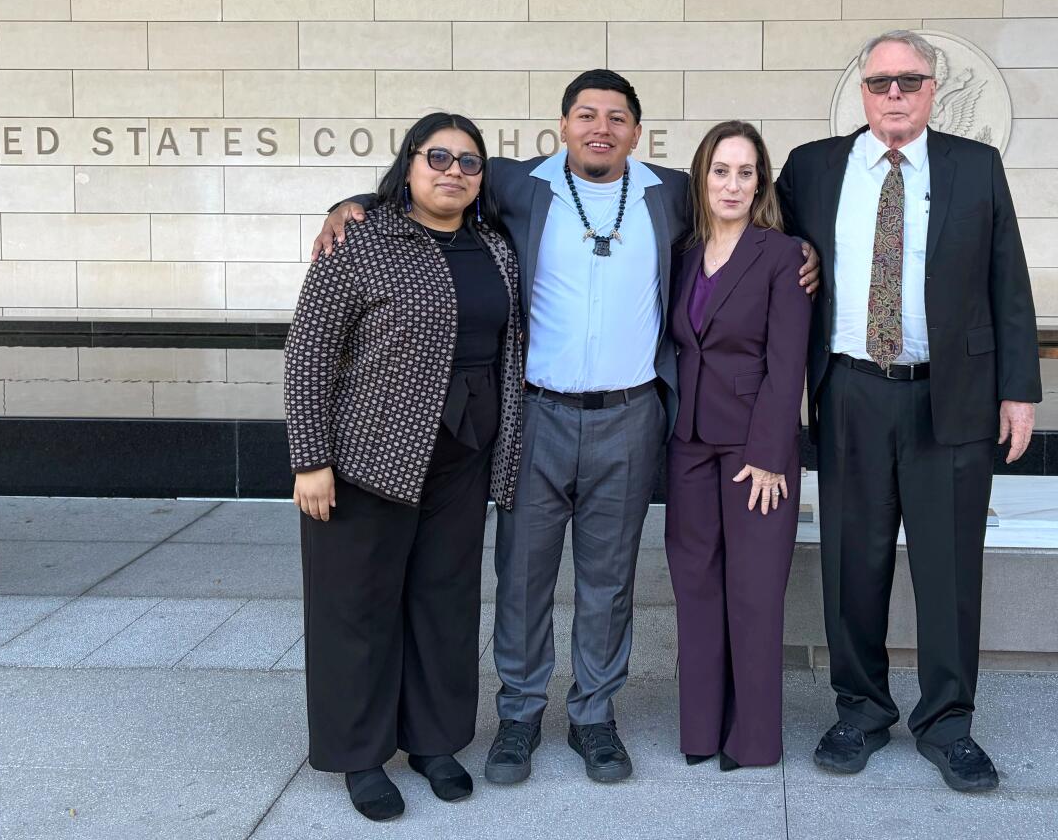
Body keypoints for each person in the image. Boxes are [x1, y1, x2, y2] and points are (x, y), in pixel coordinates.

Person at [314, 70, 820, 786]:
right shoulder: (519, 185)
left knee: (609, 578)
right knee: (522, 572)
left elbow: (745, 209)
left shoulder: (671, 192)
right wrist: (354, 203)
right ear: (563, 124)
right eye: (587, 114)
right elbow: (432, 185)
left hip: (631, 413)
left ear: (638, 132)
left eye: (617, 117)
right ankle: (519, 715)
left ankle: (594, 715)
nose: (601, 127)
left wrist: (805, 249)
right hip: (535, 412)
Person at [776, 30, 1041, 792]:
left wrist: (1018, 389)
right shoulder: (813, 168)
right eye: (882, 81)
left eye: (910, 81)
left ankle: (948, 720)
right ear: (863, 90)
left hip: (950, 395)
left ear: (932, 89)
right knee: (852, 562)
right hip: (851, 390)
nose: (894, 93)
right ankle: (860, 709)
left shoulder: (974, 166)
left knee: (949, 566)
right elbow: (768, 250)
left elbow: (1009, 282)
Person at [284, 112, 523, 820]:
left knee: (445, 602)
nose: (453, 170)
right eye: (438, 156)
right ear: (410, 164)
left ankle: (434, 740)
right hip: (367, 456)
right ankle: (360, 753)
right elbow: (309, 351)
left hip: (463, 454)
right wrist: (311, 459)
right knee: (355, 608)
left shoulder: (496, 246)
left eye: (469, 161)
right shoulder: (359, 238)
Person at [665, 121, 811, 771]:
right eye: (721, 170)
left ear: (761, 182)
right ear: (702, 176)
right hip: (689, 443)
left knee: (753, 594)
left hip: (756, 448)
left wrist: (770, 452)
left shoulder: (782, 255)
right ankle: (700, 730)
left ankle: (752, 739)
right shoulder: (683, 252)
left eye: (745, 172)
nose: (732, 183)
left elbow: (788, 363)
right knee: (695, 588)